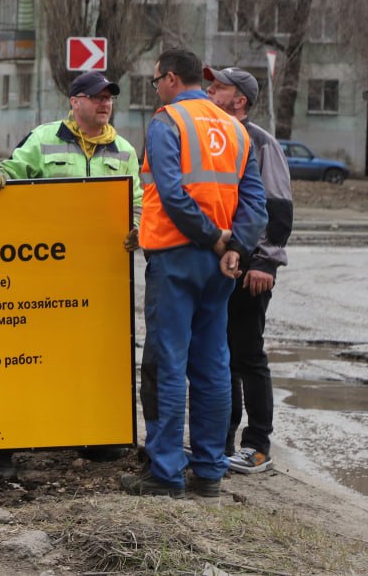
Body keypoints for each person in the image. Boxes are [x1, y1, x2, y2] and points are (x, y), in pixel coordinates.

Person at [121, 49, 267, 498]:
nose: (155, 91)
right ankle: (208, 472)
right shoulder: (236, 130)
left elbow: (171, 194)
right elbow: (255, 206)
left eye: (153, 82)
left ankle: (165, 473)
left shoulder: (168, 123)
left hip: (177, 256)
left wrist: (213, 239)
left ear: (168, 79)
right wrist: (235, 247)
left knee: (168, 362)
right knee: (213, 364)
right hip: (219, 265)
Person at [0, 71, 144, 477]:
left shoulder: (124, 150)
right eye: (96, 97)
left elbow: (138, 201)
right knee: (27, 356)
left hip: (100, 278)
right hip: (44, 275)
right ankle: (7, 444)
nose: (104, 104)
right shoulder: (43, 139)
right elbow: (14, 171)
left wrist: (139, 228)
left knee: (93, 359)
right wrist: (0, 179)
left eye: (109, 98)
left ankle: (96, 435)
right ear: (75, 102)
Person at [206, 65, 293, 474]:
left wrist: (265, 262)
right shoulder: (215, 138)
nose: (210, 90)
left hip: (250, 269)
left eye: (218, 87)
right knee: (221, 357)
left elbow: (278, 208)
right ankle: (223, 441)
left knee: (247, 356)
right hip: (220, 266)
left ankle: (257, 445)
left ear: (239, 100)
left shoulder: (261, 143)